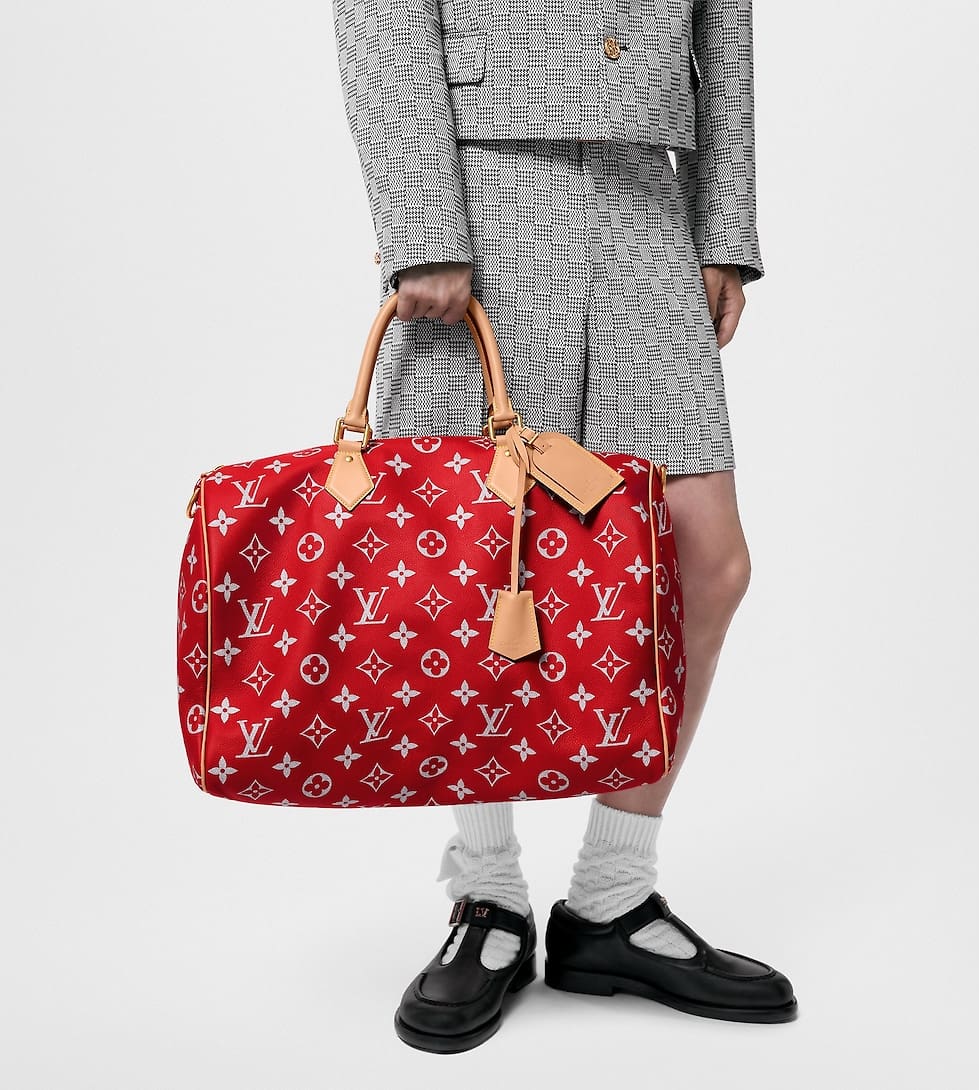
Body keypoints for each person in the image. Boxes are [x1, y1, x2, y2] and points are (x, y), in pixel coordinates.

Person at [331, 0, 797, 1052]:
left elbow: (724, 21)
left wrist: (723, 224)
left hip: (643, 190)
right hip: (482, 182)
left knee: (704, 559)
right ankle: (487, 895)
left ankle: (612, 901)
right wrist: (423, 229)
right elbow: (379, 17)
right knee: (467, 556)